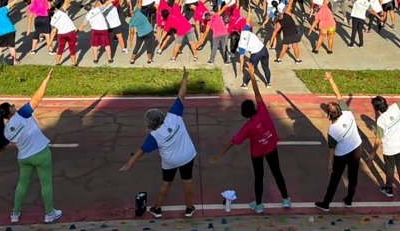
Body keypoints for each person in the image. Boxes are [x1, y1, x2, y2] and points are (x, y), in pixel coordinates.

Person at [0, 69, 62, 224]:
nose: (14, 105)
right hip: (41, 154)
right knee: (46, 184)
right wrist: (46, 80)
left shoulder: (6, 131)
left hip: (24, 159)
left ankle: (15, 214)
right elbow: (37, 98)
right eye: (11, 105)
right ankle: (49, 213)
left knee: (22, 184)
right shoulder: (23, 114)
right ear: (10, 111)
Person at [212, 62, 291, 213]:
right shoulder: (262, 110)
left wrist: (219, 155)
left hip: (257, 153)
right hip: (271, 147)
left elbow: (233, 141)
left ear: (244, 114)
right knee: (277, 172)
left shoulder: (247, 128)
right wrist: (253, 75)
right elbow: (257, 93)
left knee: (259, 177)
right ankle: (286, 199)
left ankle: (259, 205)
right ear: (253, 108)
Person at [120, 68, 197, 219]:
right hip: (187, 155)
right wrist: (185, 78)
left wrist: (129, 163)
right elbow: (181, 94)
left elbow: (141, 151)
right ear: (161, 116)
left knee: (166, 183)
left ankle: (158, 209)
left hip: (170, 161)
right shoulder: (173, 116)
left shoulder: (154, 136)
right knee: (187, 181)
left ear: (149, 123)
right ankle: (189, 209)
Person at [315, 71, 363, 211]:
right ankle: (349, 200)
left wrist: (330, 164)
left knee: (335, 179)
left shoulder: (332, 129)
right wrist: (331, 79)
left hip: (342, 155)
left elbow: (331, 149)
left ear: (329, 114)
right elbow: (338, 94)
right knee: (353, 176)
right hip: (357, 148)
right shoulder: (347, 112)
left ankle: (326, 203)